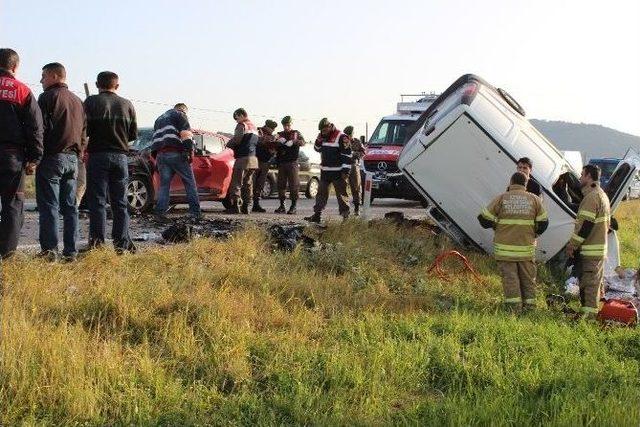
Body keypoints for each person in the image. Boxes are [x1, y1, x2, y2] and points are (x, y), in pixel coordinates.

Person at [36, 62, 86, 262]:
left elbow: (40, 130)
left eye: (43, 76)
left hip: (52, 157)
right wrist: (79, 154)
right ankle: (71, 252)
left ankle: (50, 253)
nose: (41, 80)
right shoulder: (77, 101)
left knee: (49, 207)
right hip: (73, 159)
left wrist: (36, 156)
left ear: (55, 76)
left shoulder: (47, 97)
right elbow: (84, 133)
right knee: (70, 207)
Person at [83, 71, 137, 253]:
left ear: (97, 84)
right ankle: (121, 242)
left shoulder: (91, 102)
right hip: (120, 157)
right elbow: (132, 135)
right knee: (120, 202)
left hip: (97, 156)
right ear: (117, 86)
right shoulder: (127, 104)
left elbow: (85, 130)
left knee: (97, 201)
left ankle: (97, 243)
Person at [478, 172, 548, 310]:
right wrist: (534, 233)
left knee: (510, 280)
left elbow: (483, 219)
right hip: (526, 250)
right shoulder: (534, 200)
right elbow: (544, 223)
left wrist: (496, 223)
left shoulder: (502, 198)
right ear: (525, 184)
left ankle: (513, 309)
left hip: (505, 250)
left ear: (511, 182)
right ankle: (530, 308)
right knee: (528, 279)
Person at [0, 48, 44, 259]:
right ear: (15, 67)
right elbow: (35, 127)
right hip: (11, 156)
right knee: (11, 204)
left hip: (11, 154)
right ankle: (7, 254)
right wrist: (35, 158)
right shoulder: (22, 91)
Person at [565, 164, 611, 318]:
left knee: (590, 286)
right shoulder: (601, 194)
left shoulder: (591, 197)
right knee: (593, 285)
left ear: (589, 177)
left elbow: (585, 225)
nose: (579, 178)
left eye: (582, 175)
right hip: (598, 250)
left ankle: (588, 319)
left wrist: (572, 245)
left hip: (592, 251)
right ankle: (589, 315)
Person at [150, 103, 200, 222]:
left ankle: (160, 213)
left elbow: (155, 138)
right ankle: (195, 212)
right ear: (183, 109)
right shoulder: (180, 114)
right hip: (176, 153)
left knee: (164, 186)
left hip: (161, 155)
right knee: (189, 183)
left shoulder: (159, 119)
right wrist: (189, 150)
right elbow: (186, 134)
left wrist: (156, 157)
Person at [304, 118, 351, 223]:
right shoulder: (323, 136)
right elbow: (317, 149)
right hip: (325, 172)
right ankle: (317, 215)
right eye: (321, 131)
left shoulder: (341, 136)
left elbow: (347, 155)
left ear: (329, 127)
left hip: (338, 173)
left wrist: (345, 171)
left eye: (324, 130)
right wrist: (319, 139)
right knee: (321, 194)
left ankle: (346, 218)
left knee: (342, 195)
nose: (322, 132)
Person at [226, 108, 259, 214]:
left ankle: (235, 206)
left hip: (242, 158)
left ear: (241, 115)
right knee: (248, 183)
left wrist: (227, 145)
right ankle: (247, 207)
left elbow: (237, 139)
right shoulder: (254, 127)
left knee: (236, 182)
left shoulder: (242, 125)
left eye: (236, 118)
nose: (236, 121)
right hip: (253, 159)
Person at [274, 115, 305, 214]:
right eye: (284, 125)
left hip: (292, 162)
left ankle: (293, 206)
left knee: (294, 184)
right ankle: (282, 205)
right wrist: (278, 141)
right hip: (282, 162)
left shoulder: (295, 133)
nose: (286, 127)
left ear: (291, 124)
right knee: (281, 185)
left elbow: (303, 142)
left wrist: (294, 141)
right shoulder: (280, 134)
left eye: (288, 125)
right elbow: (273, 143)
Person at [252, 119, 278, 213]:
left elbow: (273, 149)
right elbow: (256, 141)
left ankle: (256, 203)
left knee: (260, 183)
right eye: (272, 128)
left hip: (266, 162)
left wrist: (274, 149)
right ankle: (247, 203)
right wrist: (267, 141)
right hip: (256, 160)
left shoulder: (272, 136)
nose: (273, 131)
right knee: (252, 182)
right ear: (267, 126)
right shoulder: (259, 131)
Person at [343, 126, 364, 216]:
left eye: (349, 135)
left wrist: (354, 154)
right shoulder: (342, 142)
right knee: (343, 187)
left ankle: (357, 207)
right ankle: (345, 209)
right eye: (346, 135)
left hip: (353, 165)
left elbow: (363, 153)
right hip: (344, 166)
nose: (348, 136)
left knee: (356, 187)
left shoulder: (357, 142)